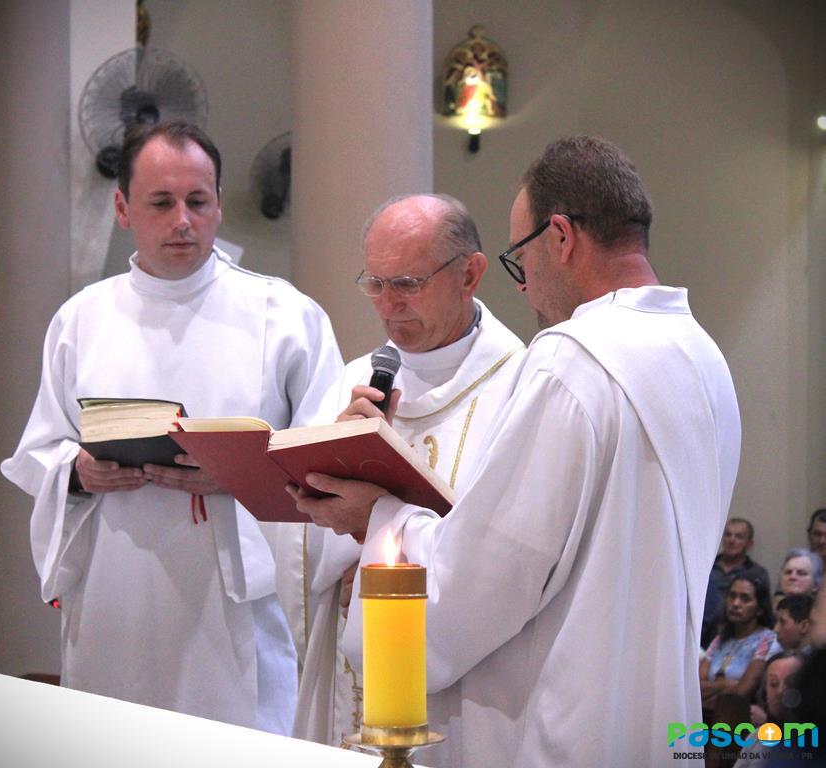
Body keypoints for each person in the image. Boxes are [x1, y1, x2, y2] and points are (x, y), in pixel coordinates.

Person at [290, 136, 742, 766]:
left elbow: (474, 585)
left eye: (519, 258)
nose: (523, 285)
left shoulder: (573, 362)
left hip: (563, 726)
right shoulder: (702, 358)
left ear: (560, 237)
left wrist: (378, 519)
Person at [1, 121, 343, 732]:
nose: (182, 220)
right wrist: (78, 472)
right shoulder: (81, 319)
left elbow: (326, 454)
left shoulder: (285, 315)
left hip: (233, 602)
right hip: (116, 596)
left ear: (216, 204)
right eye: (161, 202)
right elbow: (39, 452)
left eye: (198, 201)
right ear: (123, 207)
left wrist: (239, 472)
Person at [277, 193, 526, 746]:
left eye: (408, 284)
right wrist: (329, 466)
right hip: (351, 670)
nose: (388, 306)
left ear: (471, 274)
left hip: (463, 688)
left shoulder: (522, 387)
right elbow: (298, 559)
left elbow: (508, 553)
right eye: (375, 283)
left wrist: (377, 551)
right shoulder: (354, 381)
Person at [700, 575, 779, 712]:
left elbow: (742, 692)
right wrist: (725, 685)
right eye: (732, 596)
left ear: (760, 609)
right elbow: (695, 688)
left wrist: (712, 689)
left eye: (745, 598)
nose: (735, 604)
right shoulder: (720, 639)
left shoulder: (767, 640)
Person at [702, 517, 770, 647]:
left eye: (738, 537)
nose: (731, 540)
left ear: (749, 544)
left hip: (738, 639)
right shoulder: (706, 568)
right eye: (728, 535)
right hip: (701, 635)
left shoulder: (758, 573)